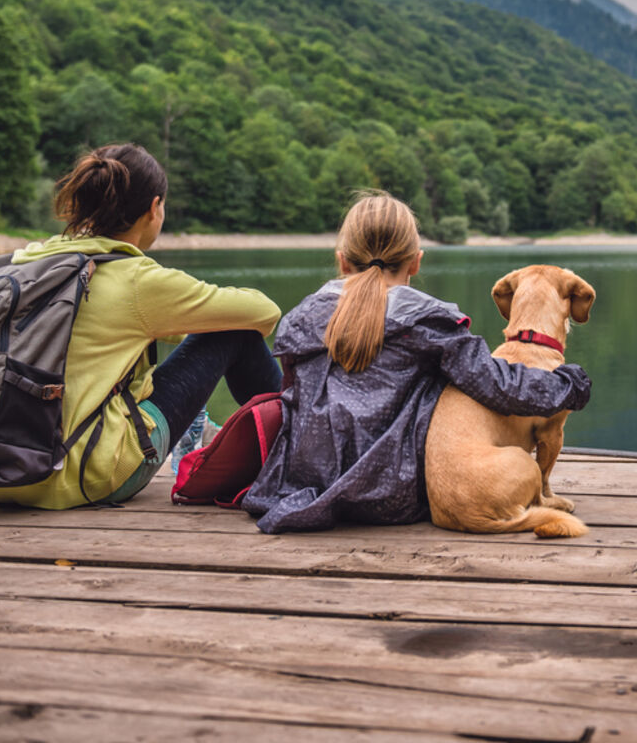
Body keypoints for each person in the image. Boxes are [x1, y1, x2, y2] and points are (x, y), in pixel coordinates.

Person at [242, 192, 592, 533]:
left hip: (304, 486)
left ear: (343, 260)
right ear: (416, 261)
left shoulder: (300, 321)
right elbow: (498, 386)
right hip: (393, 496)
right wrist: (569, 384)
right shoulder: (429, 326)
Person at [0, 143, 281, 508]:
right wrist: (194, 323)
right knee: (235, 330)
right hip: (90, 474)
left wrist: (165, 325)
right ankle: (298, 450)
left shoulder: (30, 262)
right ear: (154, 208)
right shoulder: (135, 279)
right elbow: (264, 313)